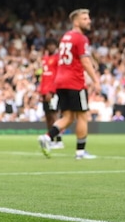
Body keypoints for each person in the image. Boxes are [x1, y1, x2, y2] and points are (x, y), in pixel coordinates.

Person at [38, 9, 101, 160]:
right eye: (85, 19)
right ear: (76, 21)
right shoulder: (81, 38)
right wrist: (96, 80)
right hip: (75, 82)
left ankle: (47, 137)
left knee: (68, 116)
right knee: (82, 116)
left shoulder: (66, 37)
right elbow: (84, 61)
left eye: (88, 18)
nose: (89, 21)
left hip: (61, 82)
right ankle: (80, 152)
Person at [38, 39, 63, 149]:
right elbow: (44, 76)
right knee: (48, 116)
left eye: (53, 45)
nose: (51, 47)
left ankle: (59, 140)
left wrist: (52, 91)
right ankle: (51, 139)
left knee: (54, 115)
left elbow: (58, 75)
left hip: (53, 91)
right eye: (49, 45)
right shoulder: (44, 59)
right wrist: (41, 91)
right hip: (44, 91)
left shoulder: (57, 58)